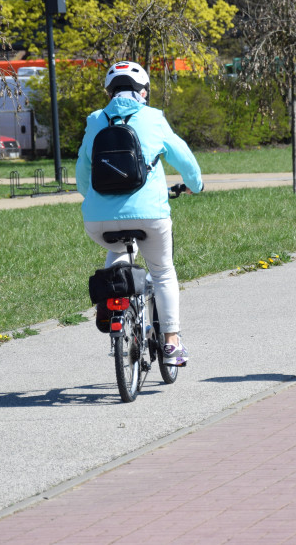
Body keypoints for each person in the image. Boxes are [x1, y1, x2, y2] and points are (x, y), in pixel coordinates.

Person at [76, 61, 203, 367]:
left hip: (98, 219)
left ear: (109, 92)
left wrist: (95, 198)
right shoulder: (153, 118)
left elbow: (82, 173)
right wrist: (195, 185)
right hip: (149, 215)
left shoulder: (95, 120)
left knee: (118, 250)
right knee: (162, 271)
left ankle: (113, 301)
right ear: (143, 92)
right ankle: (171, 343)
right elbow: (183, 156)